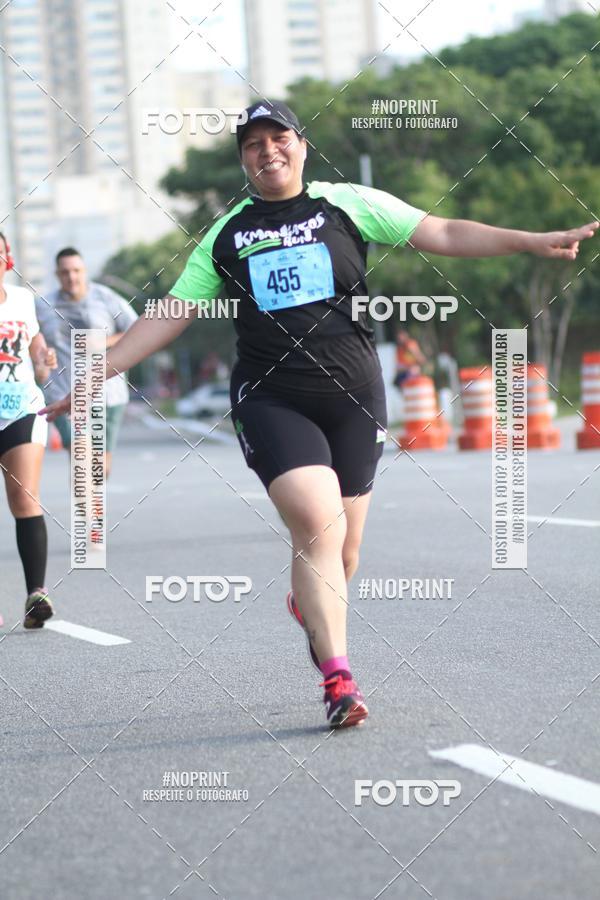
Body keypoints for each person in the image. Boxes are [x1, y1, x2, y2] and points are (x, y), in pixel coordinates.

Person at [41, 99, 599, 728]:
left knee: (345, 552)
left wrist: (531, 242)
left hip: (355, 400)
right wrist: (95, 374)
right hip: (272, 398)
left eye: (279, 137)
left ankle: (309, 603)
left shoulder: (347, 204)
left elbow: (439, 232)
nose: (268, 151)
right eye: (253, 145)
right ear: (243, 161)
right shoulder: (227, 234)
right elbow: (170, 315)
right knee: (318, 527)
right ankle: (339, 683)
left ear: (302, 146)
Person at [36, 248, 138, 478]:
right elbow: (33, 339)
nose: (71, 277)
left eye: (76, 271)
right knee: (81, 461)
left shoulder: (107, 298)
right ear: (56, 274)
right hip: (64, 395)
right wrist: (42, 356)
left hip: (107, 394)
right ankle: (87, 513)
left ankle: (93, 511)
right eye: (64, 272)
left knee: (100, 469)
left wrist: (104, 341)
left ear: (85, 271)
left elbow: (139, 329)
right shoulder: (42, 305)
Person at [0, 232, 58, 628]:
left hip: (20, 407)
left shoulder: (22, 298)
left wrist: (42, 360)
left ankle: (36, 594)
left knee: (25, 498)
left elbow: (35, 344)